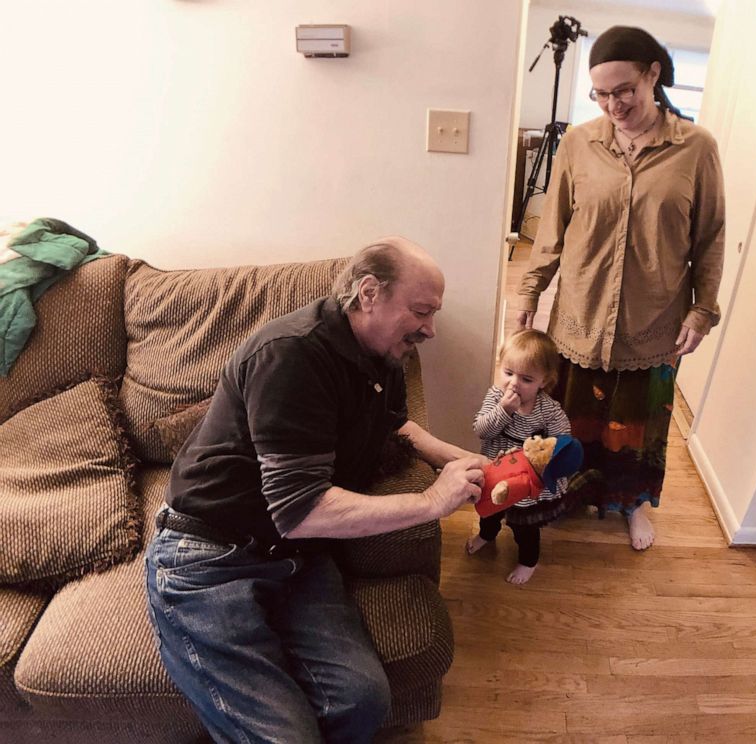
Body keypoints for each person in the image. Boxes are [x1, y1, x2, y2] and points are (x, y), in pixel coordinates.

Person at [145, 237, 486, 744]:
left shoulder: (381, 357)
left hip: (296, 557)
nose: (431, 329)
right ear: (369, 293)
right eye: (421, 311)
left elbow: (396, 425)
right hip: (208, 558)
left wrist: (452, 456)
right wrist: (433, 502)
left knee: (362, 700)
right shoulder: (292, 355)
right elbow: (301, 511)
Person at [516, 25, 725, 551]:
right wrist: (529, 294)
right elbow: (552, 229)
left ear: (653, 75)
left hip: (653, 321)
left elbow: (711, 235)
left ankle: (629, 505)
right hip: (579, 314)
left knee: (636, 428)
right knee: (572, 418)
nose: (613, 104)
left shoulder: (696, 148)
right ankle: (564, 494)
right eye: (601, 94)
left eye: (623, 90)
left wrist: (703, 311)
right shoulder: (578, 144)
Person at [466, 329, 571, 585]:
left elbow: (562, 437)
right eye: (508, 373)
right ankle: (487, 535)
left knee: (525, 527)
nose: (513, 383)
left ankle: (528, 560)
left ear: (543, 382)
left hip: (525, 483)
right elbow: (481, 430)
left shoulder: (548, 409)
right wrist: (503, 411)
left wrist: (542, 452)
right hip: (495, 474)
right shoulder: (496, 397)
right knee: (488, 513)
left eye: (526, 378)